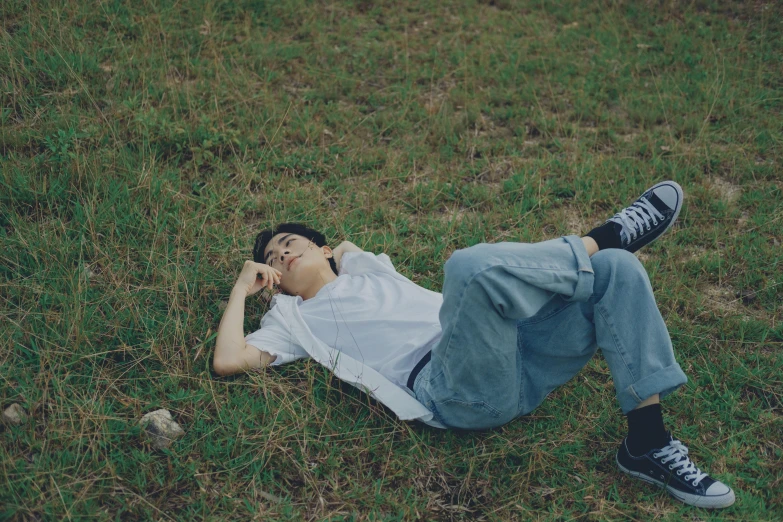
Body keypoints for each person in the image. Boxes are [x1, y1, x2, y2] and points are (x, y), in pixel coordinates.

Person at [213, 181, 735, 509]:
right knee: (467, 268)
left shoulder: (362, 267)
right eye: (272, 258)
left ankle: (646, 442)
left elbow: (350, 249)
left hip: (519, 356)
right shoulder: (292, 320)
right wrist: (243, 288)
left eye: (290, 245)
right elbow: (229, 360)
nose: (280, 256)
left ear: (324, 249)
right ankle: (603, 236)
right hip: (455, 388)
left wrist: (341, 256)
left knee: (618, 271)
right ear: (272, 281)